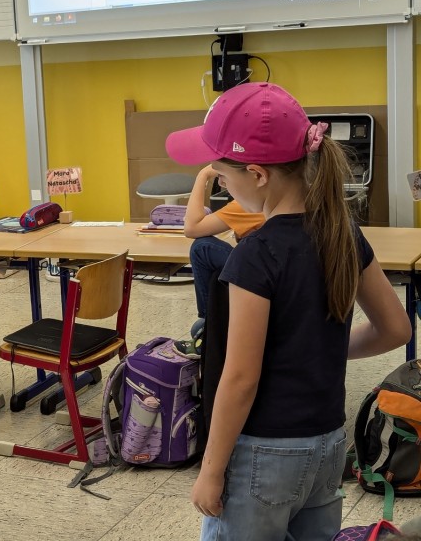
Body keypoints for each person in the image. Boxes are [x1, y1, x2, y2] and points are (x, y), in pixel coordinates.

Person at [165, 82, 411, 541]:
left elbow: (240, 378)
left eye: (222, 174)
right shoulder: (342, 231)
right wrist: (320, 352)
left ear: (257, 175)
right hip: (328, 447)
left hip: (264, 454)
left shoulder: (254, 255)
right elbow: (395, 328)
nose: (220, 181)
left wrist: (211, 470)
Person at [183, 165, 264, 326]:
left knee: (202, 248)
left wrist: (203, 174)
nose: (221, 183)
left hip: (261, 273)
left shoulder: (250, 201)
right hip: (273, 267)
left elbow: (191, 228)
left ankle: (208, 325)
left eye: (223, 175)